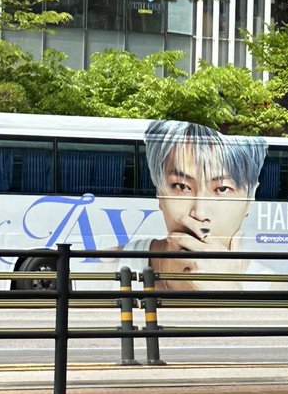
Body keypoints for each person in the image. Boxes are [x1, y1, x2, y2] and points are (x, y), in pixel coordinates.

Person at [113, 120, 275, 291]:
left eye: (222, 189)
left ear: (250, 198)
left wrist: (231, 292)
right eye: (182, 186)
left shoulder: (279, 287)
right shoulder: (103, 268)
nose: (199, 213)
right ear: (159, 191)